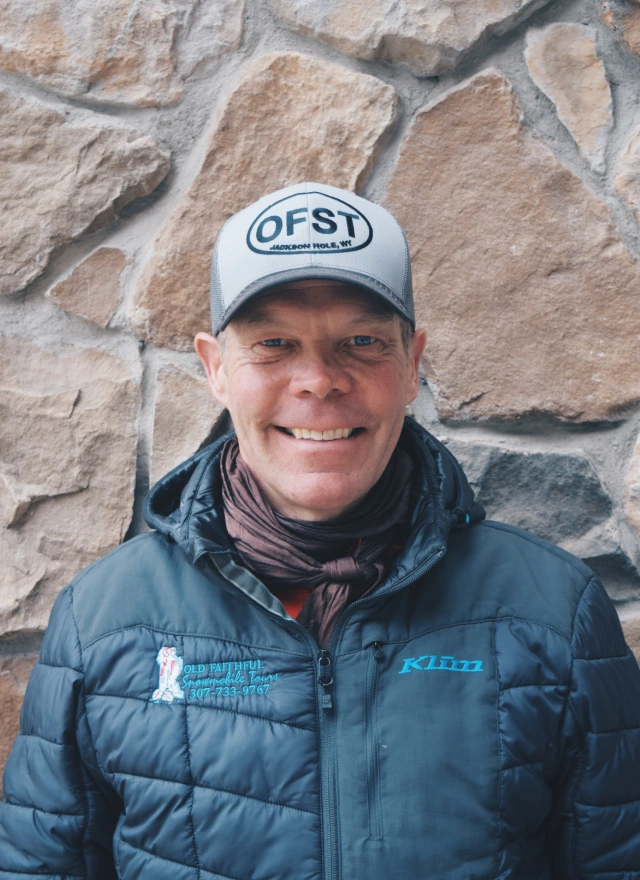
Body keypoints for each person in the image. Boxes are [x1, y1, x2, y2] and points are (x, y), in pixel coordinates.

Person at [1, 182, 639, 880]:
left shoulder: (552, 613)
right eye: (274, 344)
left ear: (412, 364)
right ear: (215, 368)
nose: (318, 380)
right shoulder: (104, 621)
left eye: (361, 342)